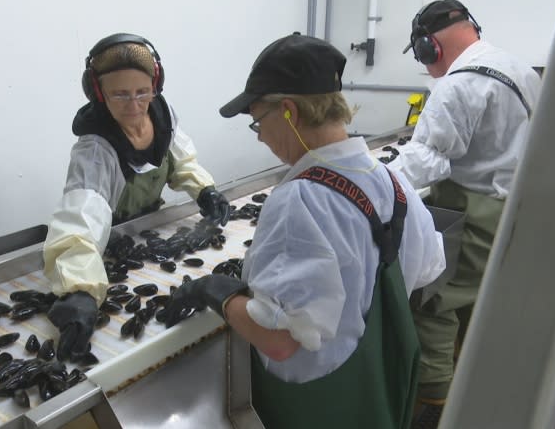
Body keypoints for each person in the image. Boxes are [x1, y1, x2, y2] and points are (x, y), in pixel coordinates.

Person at [161, 32, 446, 429]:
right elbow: (428, 267)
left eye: (258, 121)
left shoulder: (301, 200)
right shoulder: (393, 183)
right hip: (381, 387)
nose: (261, 136)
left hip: (315, 405)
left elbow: (277, 342)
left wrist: (219, 293)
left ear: (290, 111)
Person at [397, 0, 542, 427]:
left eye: (422, 55)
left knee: (434, 304)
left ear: (429, 46)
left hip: (473, 209)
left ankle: (435, 405)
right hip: (513, 206)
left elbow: (428, 161)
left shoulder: (458, 85)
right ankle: (470, 383)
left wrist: (369, 180)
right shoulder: (520, 69)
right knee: (478, 300)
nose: (425, 66)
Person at [42, 33, 230, 361]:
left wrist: (204, 189)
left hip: (149, 231)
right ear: (98, 94)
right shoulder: (96, 148)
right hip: (105, 244)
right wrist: (81, 291)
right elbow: (81, 220)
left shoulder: (161, 115)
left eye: (142, 92)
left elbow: (180, 160)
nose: (134, 105)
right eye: (120, 95)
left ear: (155, 85)